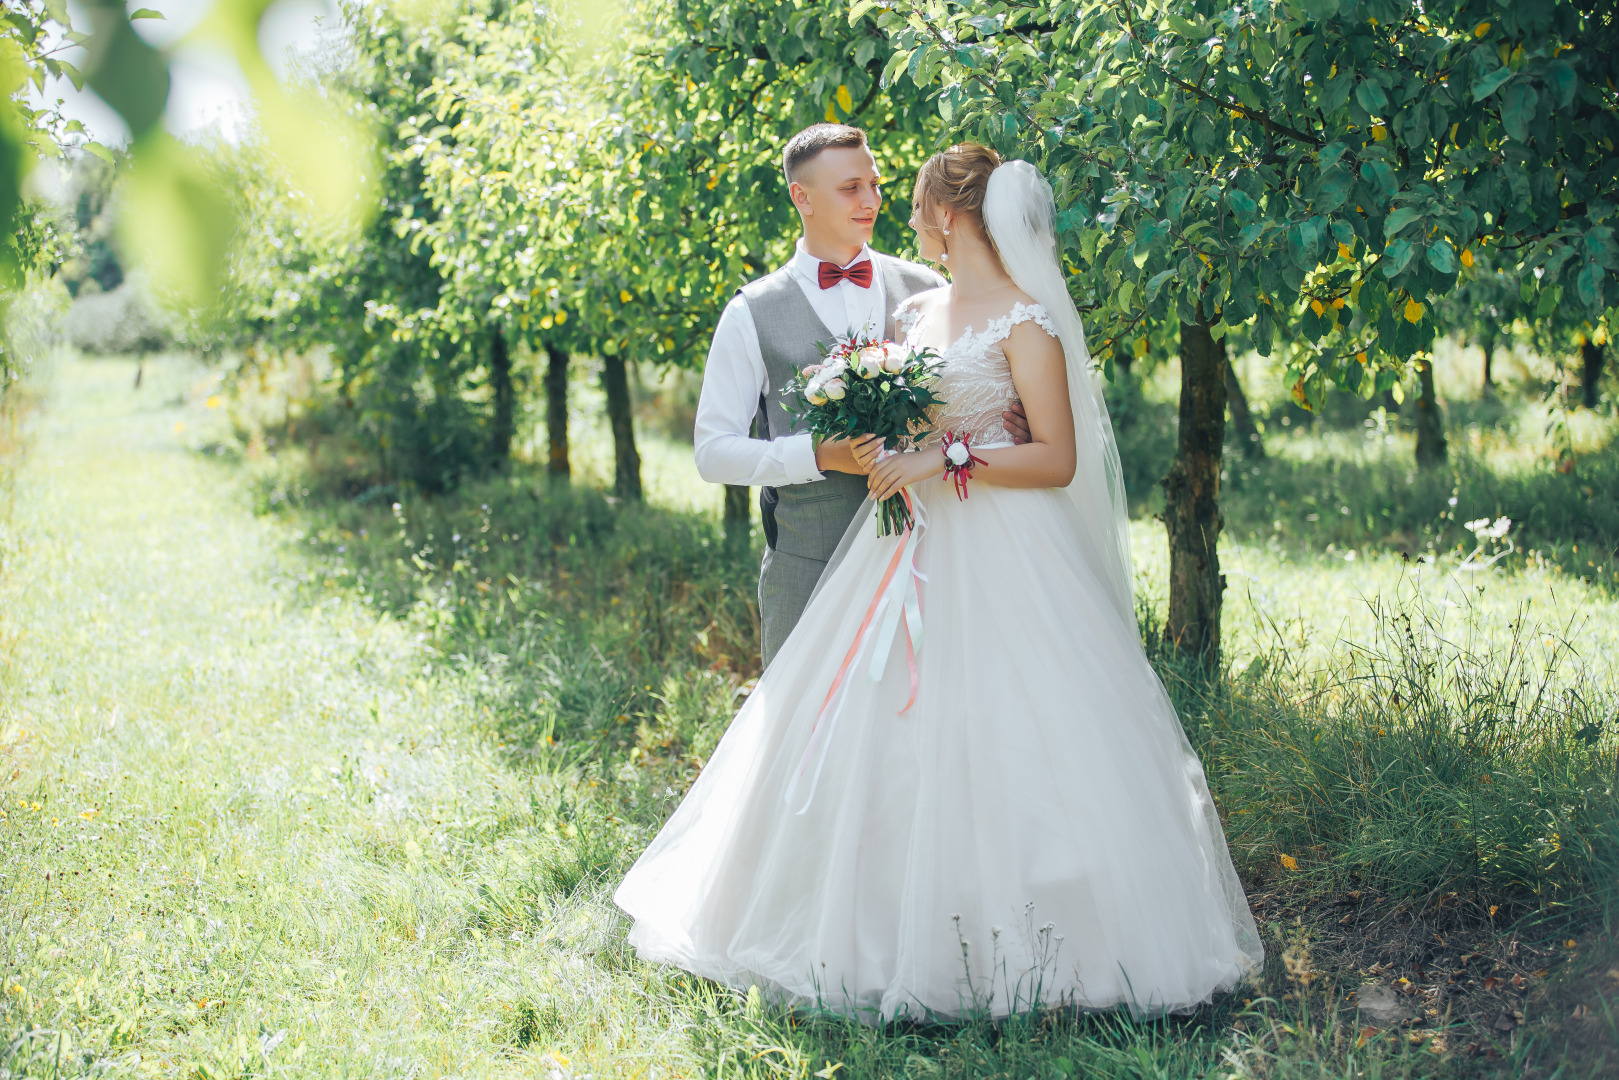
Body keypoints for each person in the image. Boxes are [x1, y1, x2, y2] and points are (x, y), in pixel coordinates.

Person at [618, 145, 1263, 1024]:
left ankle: (1049, 940)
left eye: (912, 199)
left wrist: (941, 455)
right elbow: (747, 438)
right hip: (904, 550)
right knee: (880, 735)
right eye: (869, 189)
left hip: (1006, 549)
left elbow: (1055, 456)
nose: (899, 210)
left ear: (950, 218)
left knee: (1020, 731)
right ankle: (873, 926)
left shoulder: (1025, 322)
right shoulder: (914, 309)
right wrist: (865, 435)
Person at [691, 123, 1028, 667]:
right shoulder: (750, 311)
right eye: (851, 188)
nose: (872, 200)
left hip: (932, 556)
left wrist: (1010, 425)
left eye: (874, 183)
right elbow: (711, 452)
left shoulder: (929, 288)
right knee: (801, 742)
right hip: (809, 565)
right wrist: (819, 456)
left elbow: (982, 380)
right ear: (802, 197)